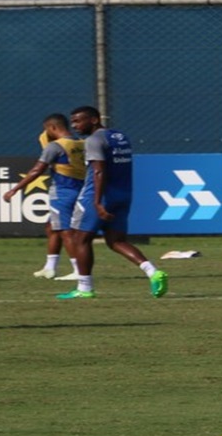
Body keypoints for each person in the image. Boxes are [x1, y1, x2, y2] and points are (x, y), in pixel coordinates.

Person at [62, 106, 169, 300]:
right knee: (116, 241)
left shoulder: (94, 140)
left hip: (98, 195)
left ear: (94, 120)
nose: (75, 126)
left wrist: (97, 202)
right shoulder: (120, 136)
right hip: (123, 194)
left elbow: (99, 171)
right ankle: (153, 272)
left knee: (80, 239)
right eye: (73, 122)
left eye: (78, 121)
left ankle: (84, 288)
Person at [4, 115, 86, 280]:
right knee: (52, 228)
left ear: (52, 128)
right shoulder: (81, 143)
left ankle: (78, 270)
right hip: (80, 188)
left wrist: (15, 189)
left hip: (62, 191)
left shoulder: (55, 146)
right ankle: (50, 267)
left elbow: (37, 170)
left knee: (65, 231)